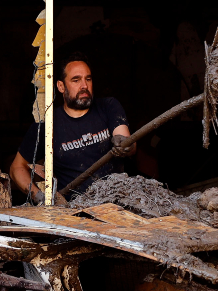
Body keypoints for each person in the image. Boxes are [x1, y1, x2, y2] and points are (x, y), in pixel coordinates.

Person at [10, 59, 135, 204]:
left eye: (88, 79)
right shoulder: (47, 125)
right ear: (61, 86)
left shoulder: (108, 107)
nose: (84, 85)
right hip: (74, 209)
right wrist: (40, 197)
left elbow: (126, 140)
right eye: (76, 80)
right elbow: (16, 168)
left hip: (116, 202)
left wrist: (125, 144)